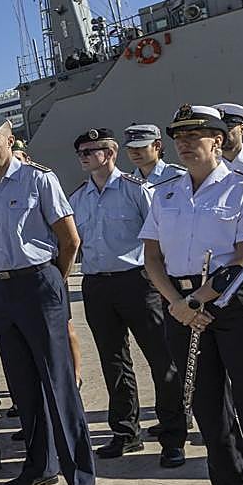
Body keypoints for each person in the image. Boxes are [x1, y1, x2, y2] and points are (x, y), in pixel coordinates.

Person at [141, 103, 243, 485]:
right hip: (182, 306)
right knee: (210, 412)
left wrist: (196, 302)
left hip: (234, 304)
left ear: (219, 139)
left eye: (197, 135)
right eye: (180, 136)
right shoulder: (166, 193)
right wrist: (177, 303)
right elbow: (152, 257)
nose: (186, 143)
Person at [0, 114, 95, 485]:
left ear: (10, 140)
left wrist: (52, 280)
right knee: (22, 385)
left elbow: (69, 239)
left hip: (38, 282)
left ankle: (80, 473)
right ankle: (40, 465)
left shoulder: (39, 179)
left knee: (57, 383)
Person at [69, 127, 187, 467]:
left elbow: (159, 240)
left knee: (161, 359)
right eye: (81, 152)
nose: (84, 156)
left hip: (138, 282)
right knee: (113, 360)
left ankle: (172, 434)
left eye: (91, 150)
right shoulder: (78, 198)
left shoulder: (137, 190)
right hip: (96, 285)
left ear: (109, 153)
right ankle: (125, 431)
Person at [123, 124, 188, 186]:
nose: (134, 152)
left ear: (157, 145)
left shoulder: (178, 176)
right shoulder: (126, 182)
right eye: (129, 147)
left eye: (141, 146)